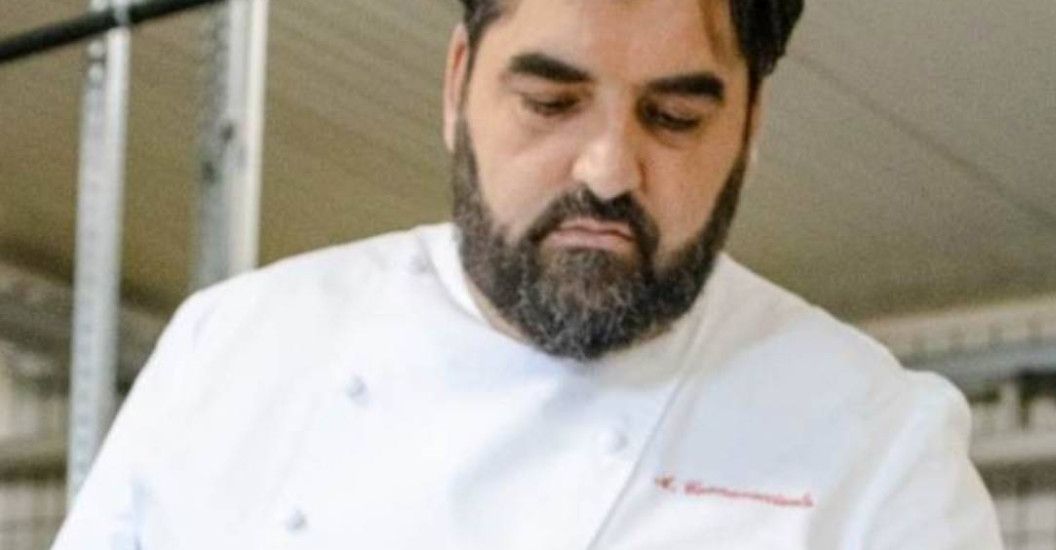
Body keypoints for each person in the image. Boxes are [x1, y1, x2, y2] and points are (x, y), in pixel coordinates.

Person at [53, 0, 1004, 548]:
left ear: (750, 127)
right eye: (551, 102)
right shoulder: (234, 348)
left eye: (674, 118)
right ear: (456, 84)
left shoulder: (875, 444)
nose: (608, 170)